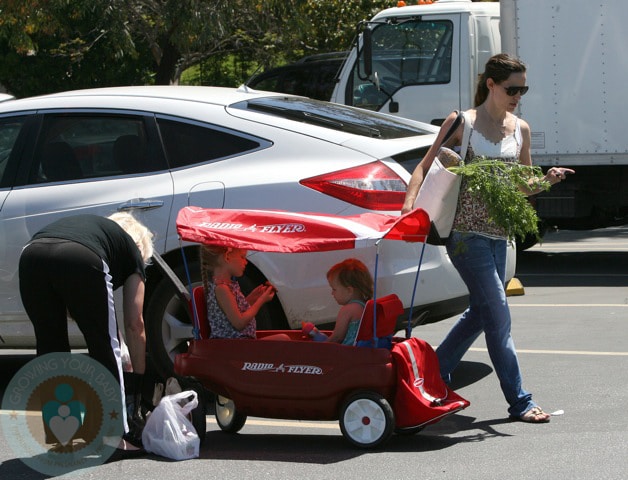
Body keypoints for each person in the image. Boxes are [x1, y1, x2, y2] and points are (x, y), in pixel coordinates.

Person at [401, 53, 574, 423]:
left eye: (523, 89)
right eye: (512, 89)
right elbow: (424, 165)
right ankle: (520, 401)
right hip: (465, 236)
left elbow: (522, 185)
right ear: (491, 84)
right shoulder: (462, 122)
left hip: (501, 236)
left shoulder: (520, 129)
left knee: (481, 312)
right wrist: (408, 210)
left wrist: (548, 179)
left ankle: (434, 372)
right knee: (498, 314)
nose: (518, 96)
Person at [18, 212, 154, 450]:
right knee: (104, 346)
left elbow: (77, 309)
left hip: (30, 255)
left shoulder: (93, 230)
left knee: (51, 345)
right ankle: (113, 439)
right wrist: (137, 384)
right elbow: (135, 324)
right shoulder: (132, 251)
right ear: (140, 247)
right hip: (81, 257)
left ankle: (60, 436)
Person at [200, 245, 276, 338]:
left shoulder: (227, 285)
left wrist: (256, 297)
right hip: (234, 347)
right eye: (242, 257)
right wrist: (261, 301)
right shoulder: (222, 289)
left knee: (284, 339)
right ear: (227, 257)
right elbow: (239, 323)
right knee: (283, 339)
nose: (246, 262)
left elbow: (236, 311)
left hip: (240, 345)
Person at [324, 258, 374, 345]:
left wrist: (320, 348)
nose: (332, 293)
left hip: (348, 353)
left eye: (334, 289)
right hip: (363, 351)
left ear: (349, 290)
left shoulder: (348, 310)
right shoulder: (365, 305)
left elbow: (337, 337)